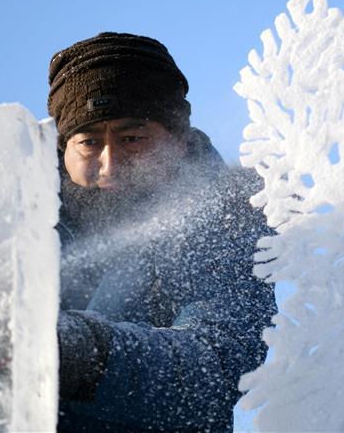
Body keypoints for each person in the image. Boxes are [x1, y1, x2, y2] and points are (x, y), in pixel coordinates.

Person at [46, 32, 276, 432]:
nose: (111, 163)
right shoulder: (15, 221)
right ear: (63, 149)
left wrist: (88, 352)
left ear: (180, 141)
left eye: (133, 138)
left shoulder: (225, 216)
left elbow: (218, 365)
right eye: (88, 142)